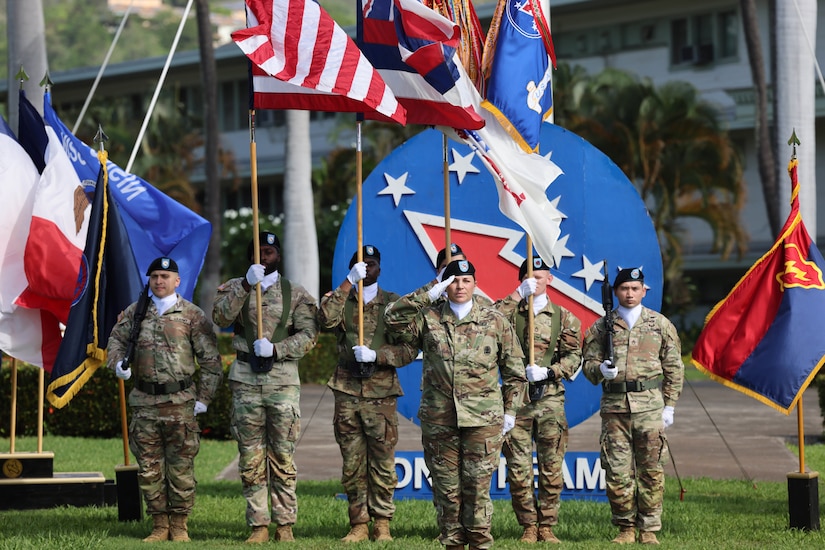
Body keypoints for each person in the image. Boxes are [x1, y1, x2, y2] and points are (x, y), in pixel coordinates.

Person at [385, 259, 527, 550]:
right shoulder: (429, 318)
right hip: (440, 419)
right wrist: (429, 291)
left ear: (475, 284)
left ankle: (479, 544)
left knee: (477, 490)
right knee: (446, 490)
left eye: (465, 281)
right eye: (453, 281)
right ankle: (452, 544)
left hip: (483, 421)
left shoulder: (494, 320)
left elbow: (515, 372)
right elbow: (392, 318)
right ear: (444, 285)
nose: (459, 286)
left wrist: (510, 411)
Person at [212, 231, 319, 544]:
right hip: (246, 380)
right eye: (258, 251)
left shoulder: (295, 293)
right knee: (250, 456)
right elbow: (220, 316)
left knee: (283, 455)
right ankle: (258, 523)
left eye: (269, 251)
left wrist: (277, 349)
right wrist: (245, 285)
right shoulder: (235, 286)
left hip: (282, 382)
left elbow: (309, 335)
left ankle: (285, 523)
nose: (264, 256)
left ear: (279, 255)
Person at [107, 256, 223, 543]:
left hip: (180, 402)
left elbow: (211, 360)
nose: (159, 281)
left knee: (181, 468)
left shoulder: (192, 315)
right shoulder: (136, 313)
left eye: (165, 276)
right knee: (149, 469)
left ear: (177, 281)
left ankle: (180, 524)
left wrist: (204, 399)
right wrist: (117, 363)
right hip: (144, 402)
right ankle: (160, 524)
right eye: (155, 276)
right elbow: (116, 342)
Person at [317, 245, 417, 543]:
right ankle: (358, 522)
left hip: (381, 393)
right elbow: (324, 321)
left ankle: (382, 522)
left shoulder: (393, 304)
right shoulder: (340, 299)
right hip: (347, 390)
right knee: (352, 461)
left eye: (371, 264)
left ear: (379, 269)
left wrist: (377, 355)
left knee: (383, 460)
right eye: (360, 264)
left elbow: (410, 348)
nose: (367, 268)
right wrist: (348, 282)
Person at [582, 267, 683, 545]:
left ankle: (649, 527)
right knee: (617, 471)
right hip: (615, 408)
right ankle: (625, 527)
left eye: (634, 288)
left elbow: (674, 367)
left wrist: (670, 405)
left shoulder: (660, 324)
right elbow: (587, 368)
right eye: (624, 288)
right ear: (615, 292)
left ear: (644, 291)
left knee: (651, 469)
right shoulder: (602, 327)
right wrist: (601, 368)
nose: (629, 293)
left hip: (650, 408)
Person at [494, 257, 582, 544]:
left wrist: (551, 370)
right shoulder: (510, 313)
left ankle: (547, 525)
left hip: (550, 400)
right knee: (518, 469)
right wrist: (518, 294)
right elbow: (487, 320)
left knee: (551, 467)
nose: (537, 280)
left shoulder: (564, 317)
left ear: (550, 280)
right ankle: (528, 526)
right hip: (515, 401)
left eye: (541, 276)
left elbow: (574, 356)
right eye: (530, 276)